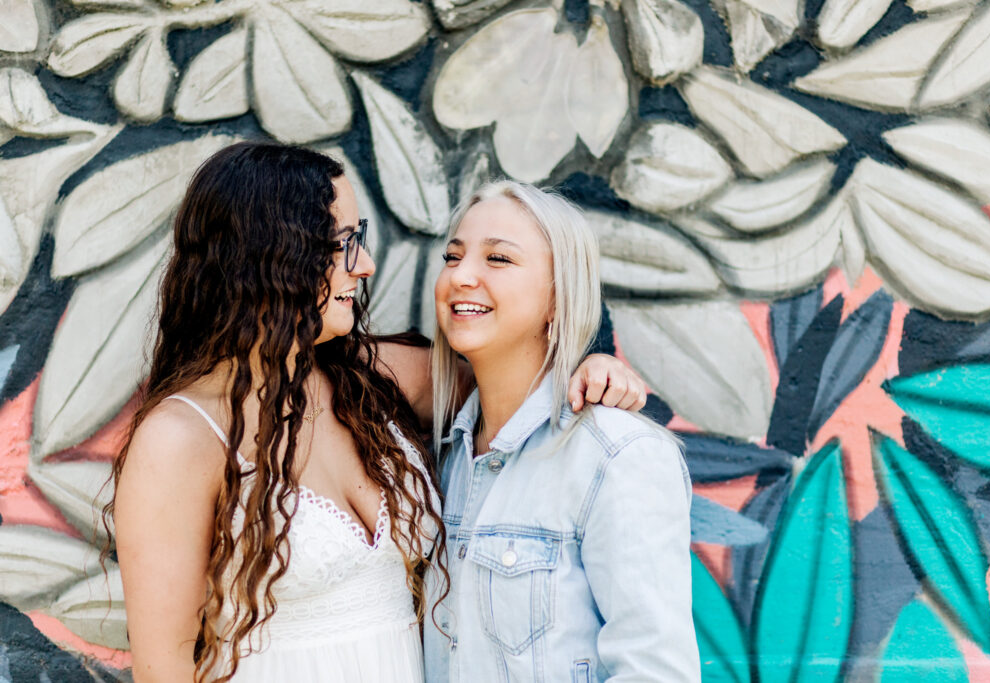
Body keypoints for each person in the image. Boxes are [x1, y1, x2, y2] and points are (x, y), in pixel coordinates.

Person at [110, 142, 646, 683]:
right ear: (273, 255)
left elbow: (517, 379)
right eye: (345, 244)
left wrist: (589, 362)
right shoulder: (180, 437)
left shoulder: (372, 378)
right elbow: (164, 670)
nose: (364, 266)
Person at [424, 181, 700, 682]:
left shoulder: (618, 456)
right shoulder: (439, 458)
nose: (461, 276)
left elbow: (654, 671)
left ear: (559, 296)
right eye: (453, 256)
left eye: (498, 259)